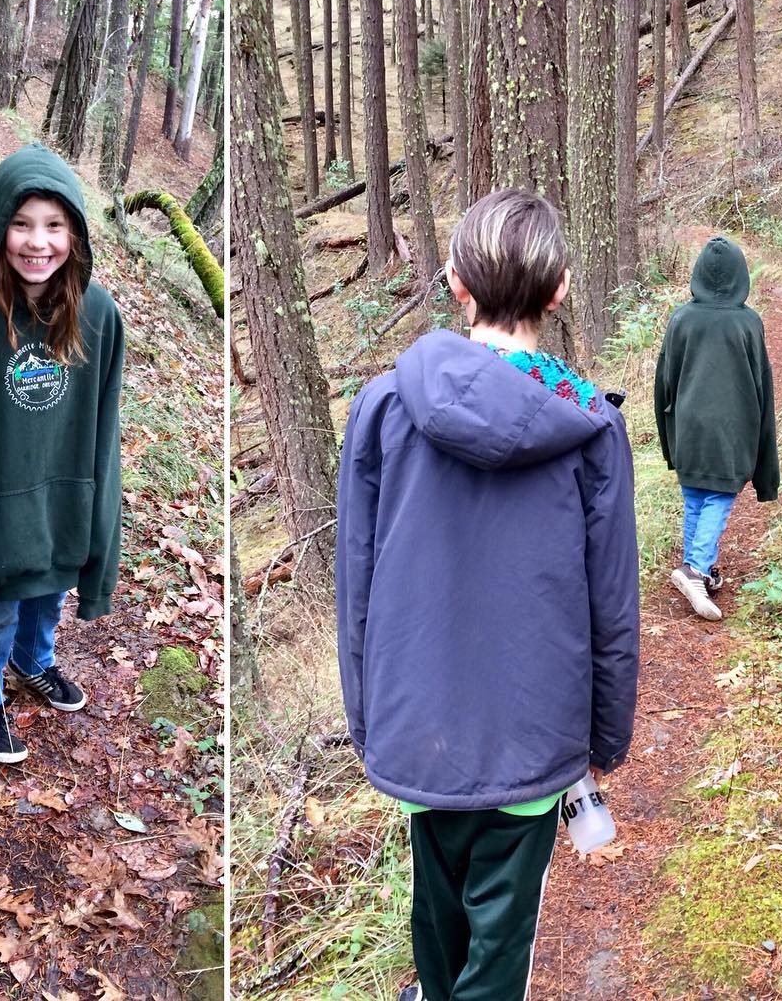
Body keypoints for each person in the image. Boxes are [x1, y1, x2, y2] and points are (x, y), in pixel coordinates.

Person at [335, 189, 640, 1001]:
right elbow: (612, 606)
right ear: (561, 289)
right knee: (500, 940)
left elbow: (357, 585)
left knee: (436, 911)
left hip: (418, 724)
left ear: (455, 282)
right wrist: (602, 740)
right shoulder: (589, 429)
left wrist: (371, 720)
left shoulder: (382, 408)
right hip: (534, 738)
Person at [0, 143, 124, 764]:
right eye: (22, 223)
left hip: (61, 499)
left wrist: (98, 513)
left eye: (55, 225)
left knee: (49, 592)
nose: (38, 242)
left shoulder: (96, 312)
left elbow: (104, 423)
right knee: (0, 602)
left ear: (76, 233)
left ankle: (36, 665)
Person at [654, 235, 779, 622]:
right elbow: (763, 388)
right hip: (732, 429)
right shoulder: (748, 323)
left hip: (688, 427)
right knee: (720, 497)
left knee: (696, 496)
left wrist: (668, 439)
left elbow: (664, 383)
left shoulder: (681, 319)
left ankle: (700, 569)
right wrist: (765, 464)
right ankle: (695, 569)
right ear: (742, 276)